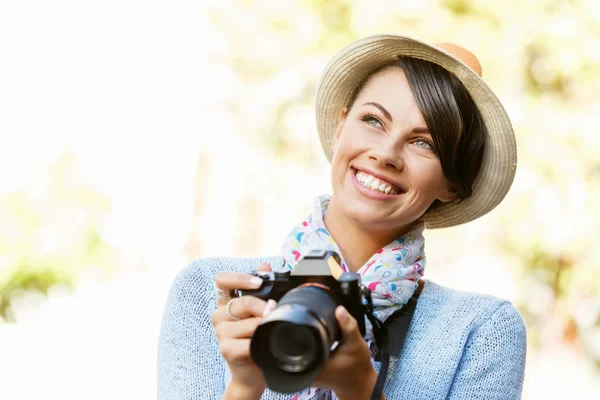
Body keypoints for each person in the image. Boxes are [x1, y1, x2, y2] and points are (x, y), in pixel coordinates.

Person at [157, 34, 526, 400]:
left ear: (452, 185)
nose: (386, 153)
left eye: (423, 142)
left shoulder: (481, 331)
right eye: (373, 120)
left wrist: (359, 389)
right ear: (341, 126)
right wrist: (244, 386)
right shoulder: (211, 293)